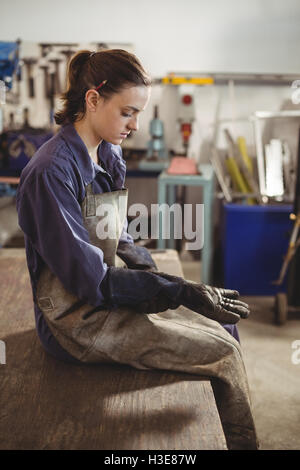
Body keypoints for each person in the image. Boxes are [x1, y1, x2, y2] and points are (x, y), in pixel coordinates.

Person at [16, 49, 258, 450]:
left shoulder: (107, 152)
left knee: (224, 323)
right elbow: (90, 280)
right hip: (77, 320)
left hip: (108, 294)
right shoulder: (50, 173)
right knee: (224, 352)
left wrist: (167, 279)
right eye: (127, 112)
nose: (136, 125)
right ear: (93, 100)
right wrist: (175, 292)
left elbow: (118, 236)